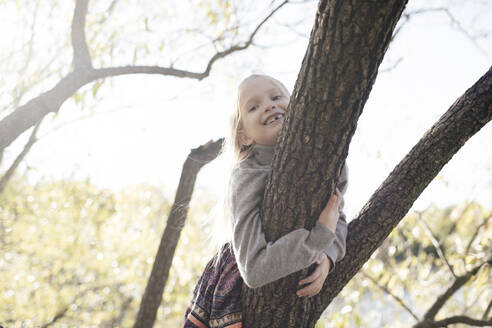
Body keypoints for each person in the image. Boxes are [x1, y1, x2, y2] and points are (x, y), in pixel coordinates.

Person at [183, 74, 348, 328]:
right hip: (244, 273)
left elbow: (338, 216)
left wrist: (327, 255)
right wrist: (317, 239)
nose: (269, 105)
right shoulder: (246, 174)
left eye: (276, 97)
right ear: (243, 136)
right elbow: (255, 269)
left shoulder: (327, 157)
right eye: (253, 106)